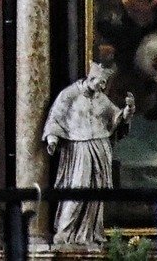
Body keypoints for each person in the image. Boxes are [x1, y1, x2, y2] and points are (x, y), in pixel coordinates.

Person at [42, 64, 133, 248]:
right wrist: (52, 139)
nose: (103, 86)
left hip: (100, 145)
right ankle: (65, 232)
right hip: (79, 146)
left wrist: (128, 110)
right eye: (101, 82)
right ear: (91, 79)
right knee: (78, 187)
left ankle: (88, 233)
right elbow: (55, 118)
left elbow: (115, 118)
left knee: (96, 192)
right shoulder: (69, 94)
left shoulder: (101, 98)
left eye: (104, 83)